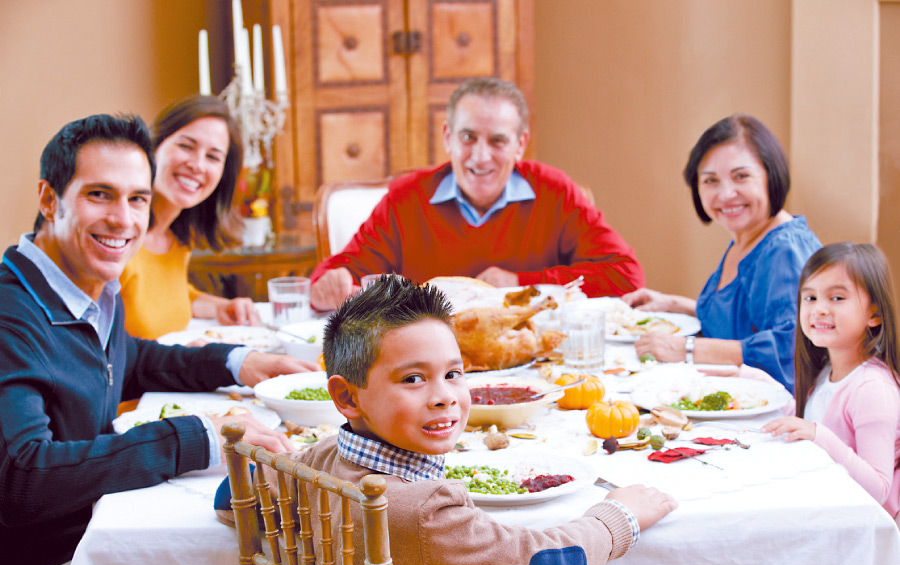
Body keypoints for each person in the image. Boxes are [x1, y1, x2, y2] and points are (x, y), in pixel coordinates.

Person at [0, 113, 317, 565]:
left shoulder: (88, 289)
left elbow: (132, 359)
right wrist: (192, 439)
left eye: (137, 199)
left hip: (88, 533)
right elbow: (23, 480)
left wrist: (237, 362)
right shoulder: (11, 313)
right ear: (49, 199)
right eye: (99, 194)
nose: (123, 220)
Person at [266, 275, 675, 565]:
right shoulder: (425, 512)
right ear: (345, 397)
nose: (444, 397)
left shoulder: (321, 456)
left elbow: (232, 498)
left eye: (453, 374)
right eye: (413, 379)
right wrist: (618, 516)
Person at [309, 77, 644, 310]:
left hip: (532, 358)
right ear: (447, 138)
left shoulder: (556, 192)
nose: (480, 156)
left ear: (520, 144)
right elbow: (330, 277)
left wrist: (520, 283)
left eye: (497, 140)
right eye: (468, 137)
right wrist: (330, 284)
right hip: (428, 365)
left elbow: (626, 275)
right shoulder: (406, 197)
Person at [622, 114, 822, 392]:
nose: (727, 194)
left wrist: (687, 348)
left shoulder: (784, 250)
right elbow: (746, 323)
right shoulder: (748, 238)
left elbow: (792, 350)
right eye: (711, 180)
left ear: (771, 175)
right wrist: (677, 304)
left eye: (741, 176)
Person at [762, 243, 900, 517]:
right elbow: (812, 418)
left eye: (837, 298)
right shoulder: (827, 369)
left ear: (874, 314)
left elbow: (880, 490)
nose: (819, 309)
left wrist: (818, 436)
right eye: (810, 298)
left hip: (867, 532)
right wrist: (752, 378)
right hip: (830, 508)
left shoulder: (871, 388)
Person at [118, 95, 259, 339]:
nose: (197, 165)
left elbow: (165, 292)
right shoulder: (118, 234)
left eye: (213, 157)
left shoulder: (178, 236)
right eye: (186, 146)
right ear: (155, 145)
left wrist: (221, 306)